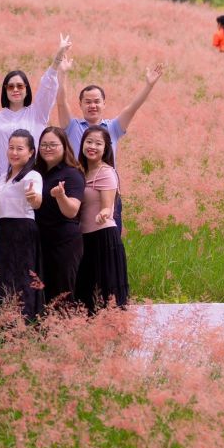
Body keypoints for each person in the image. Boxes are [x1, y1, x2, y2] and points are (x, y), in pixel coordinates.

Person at [56, 60, 164, 232]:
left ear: (104, 104)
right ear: (80, 104)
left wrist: (148, 86)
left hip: (106, 192)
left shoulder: (113, 127)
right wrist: (63, 74)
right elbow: (61, 102)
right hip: (76, 193)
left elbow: (132, 108)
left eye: (97, 101)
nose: (93, 105)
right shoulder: (72, 127)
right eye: (88, 102)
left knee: (108, 240)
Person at [0, 35, 72, 186]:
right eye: (11, 86)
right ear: (5, 90)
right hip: (2, 185)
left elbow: (47, 87)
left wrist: (58, 57)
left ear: (27, 90)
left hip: (32, 185)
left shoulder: (37, 113)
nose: (15, 89)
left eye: (20, 86)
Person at [74, 126, 129, 313]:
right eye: (89, 142)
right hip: (84, 240)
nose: (92, 146)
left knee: (106, 294)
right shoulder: (80, 172)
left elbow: (108, 206)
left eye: (98, 143)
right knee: (87, 293)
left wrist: (104, 213)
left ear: (105, 148)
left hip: (103, 237)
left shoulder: (106, 172)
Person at [0, 129, 44, 321]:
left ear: (30, 152)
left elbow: (37, 200)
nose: (14, 152)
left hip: (23, 230)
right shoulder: (2, 179)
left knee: (22, 276)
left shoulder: (33, 176)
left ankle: (25, 321)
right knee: (3, 275)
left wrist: (34, 198)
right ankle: (2, 320)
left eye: (19, 149)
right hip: (4, 231)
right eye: (11, 147)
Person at [33, 126, 85, 307]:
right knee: (42, 291)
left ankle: (64, 332)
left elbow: (72, 211)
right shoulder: (35, 172)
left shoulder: (72, 173)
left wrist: (61, 196)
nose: (48, 148)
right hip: (40, 242)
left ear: (64, 146)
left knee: (62, 291)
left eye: (53, 144)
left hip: (64, 244)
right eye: (44, 144)